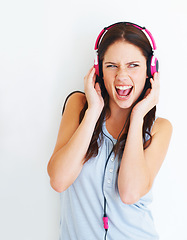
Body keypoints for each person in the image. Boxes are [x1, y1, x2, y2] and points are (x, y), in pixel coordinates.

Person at [47, 22, 172, 240]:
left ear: (150, 70)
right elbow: (59, 180)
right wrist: (94, 111)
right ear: (99, 70)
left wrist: (137, 117)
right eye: (112, 66)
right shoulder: (79, 106)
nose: (122, 76)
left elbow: (130, 193)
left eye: (133, 65)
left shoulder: (159, 128)